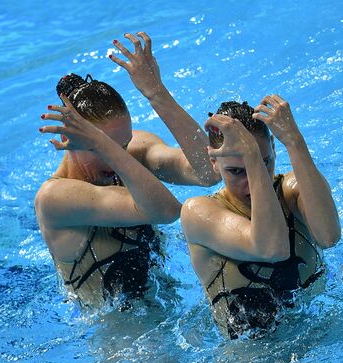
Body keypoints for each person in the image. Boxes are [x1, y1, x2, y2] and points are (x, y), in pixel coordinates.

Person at [35, 32, 219, 309]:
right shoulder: (55, 197)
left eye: (124, 143)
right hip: (117, 333)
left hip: (165, 298)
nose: (116, 158)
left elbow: (208, 173)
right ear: (67, 140)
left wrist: (157, 93)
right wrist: (106, 144)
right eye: (100, 148)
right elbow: (166, 212)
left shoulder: (132, 154)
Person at [180, 97, 341, 339]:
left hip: (320, 328)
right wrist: (253, 157)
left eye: (266, 162)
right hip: (252, 356)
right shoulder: (199, 213)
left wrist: (295, 142)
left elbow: (329, 237)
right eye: (236, 171)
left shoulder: (292, 190)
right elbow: (272, 249)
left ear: (274, 149)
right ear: (214, 163)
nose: (252, 183)